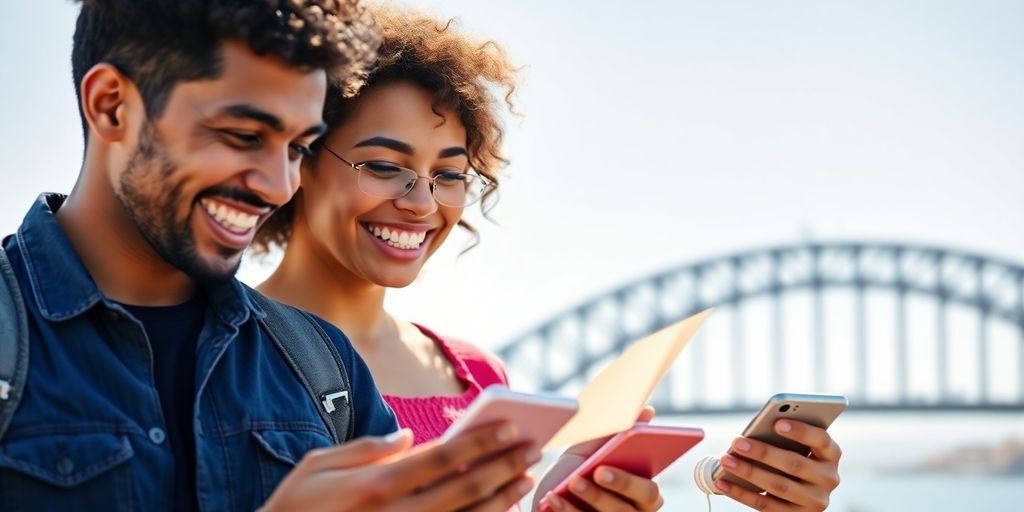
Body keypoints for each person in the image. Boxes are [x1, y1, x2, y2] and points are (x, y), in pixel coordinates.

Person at [254, 6, 844, 512]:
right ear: (299, 156)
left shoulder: (478, 377)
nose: (422, 202)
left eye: (450, 174)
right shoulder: (216, 351)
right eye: (385, 166)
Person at [0, 1, 541, 511]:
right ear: (111, 105)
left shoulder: (326, 366)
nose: (279, 186)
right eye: (243, 135)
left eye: (299, 148)